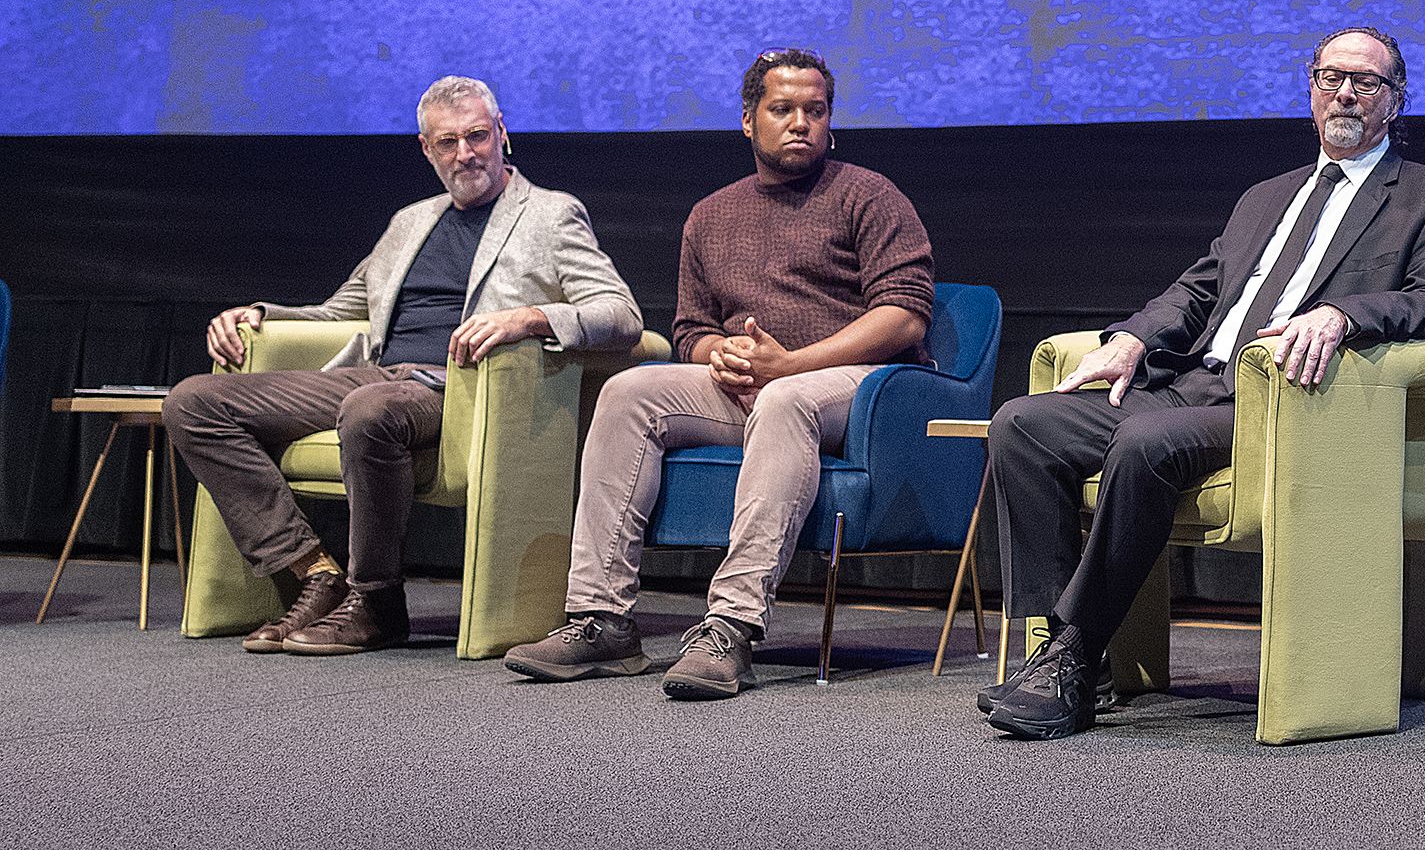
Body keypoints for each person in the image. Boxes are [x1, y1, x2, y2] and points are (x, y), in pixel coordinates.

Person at [974, 24, 1425, 740]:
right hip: (1193, 385)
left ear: (1395, 101)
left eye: (1365, 82)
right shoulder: (1265, 197)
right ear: (1309, 89)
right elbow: (1197, 294)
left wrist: (1343, 313)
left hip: (1283, 401)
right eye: (1330, 77)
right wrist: (1132, 339)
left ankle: (1073, 656)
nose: (1345, 92)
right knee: (1022, 426)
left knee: (1147, 441)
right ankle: (1060, 651)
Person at [503, 48, 934, 699]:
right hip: (752, 390)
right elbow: (690, 331)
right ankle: (602, 619)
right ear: (747, 120)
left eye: (814, 111)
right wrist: (719, 354)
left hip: (863, 389)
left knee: (786, 398)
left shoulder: (868, 195)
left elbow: (904, 316)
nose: (800, 123)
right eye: (782, 109)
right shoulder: (711, 215)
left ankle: (732, 624)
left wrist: (788, 363)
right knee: (627, 391)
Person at [163, 76, 643, 656]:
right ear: (426, 148)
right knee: (193, 401)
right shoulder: (410, 221)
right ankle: (313, 572)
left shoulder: (551, 215)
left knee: (369, 410)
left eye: (477, 136)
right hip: (374, 374)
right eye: (448, 143)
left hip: (460, 385)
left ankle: (378, 602)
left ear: (503, 134)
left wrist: (533, 318)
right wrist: (258, 313)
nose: (465, 154)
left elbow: (620, 314)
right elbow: (341, 311)